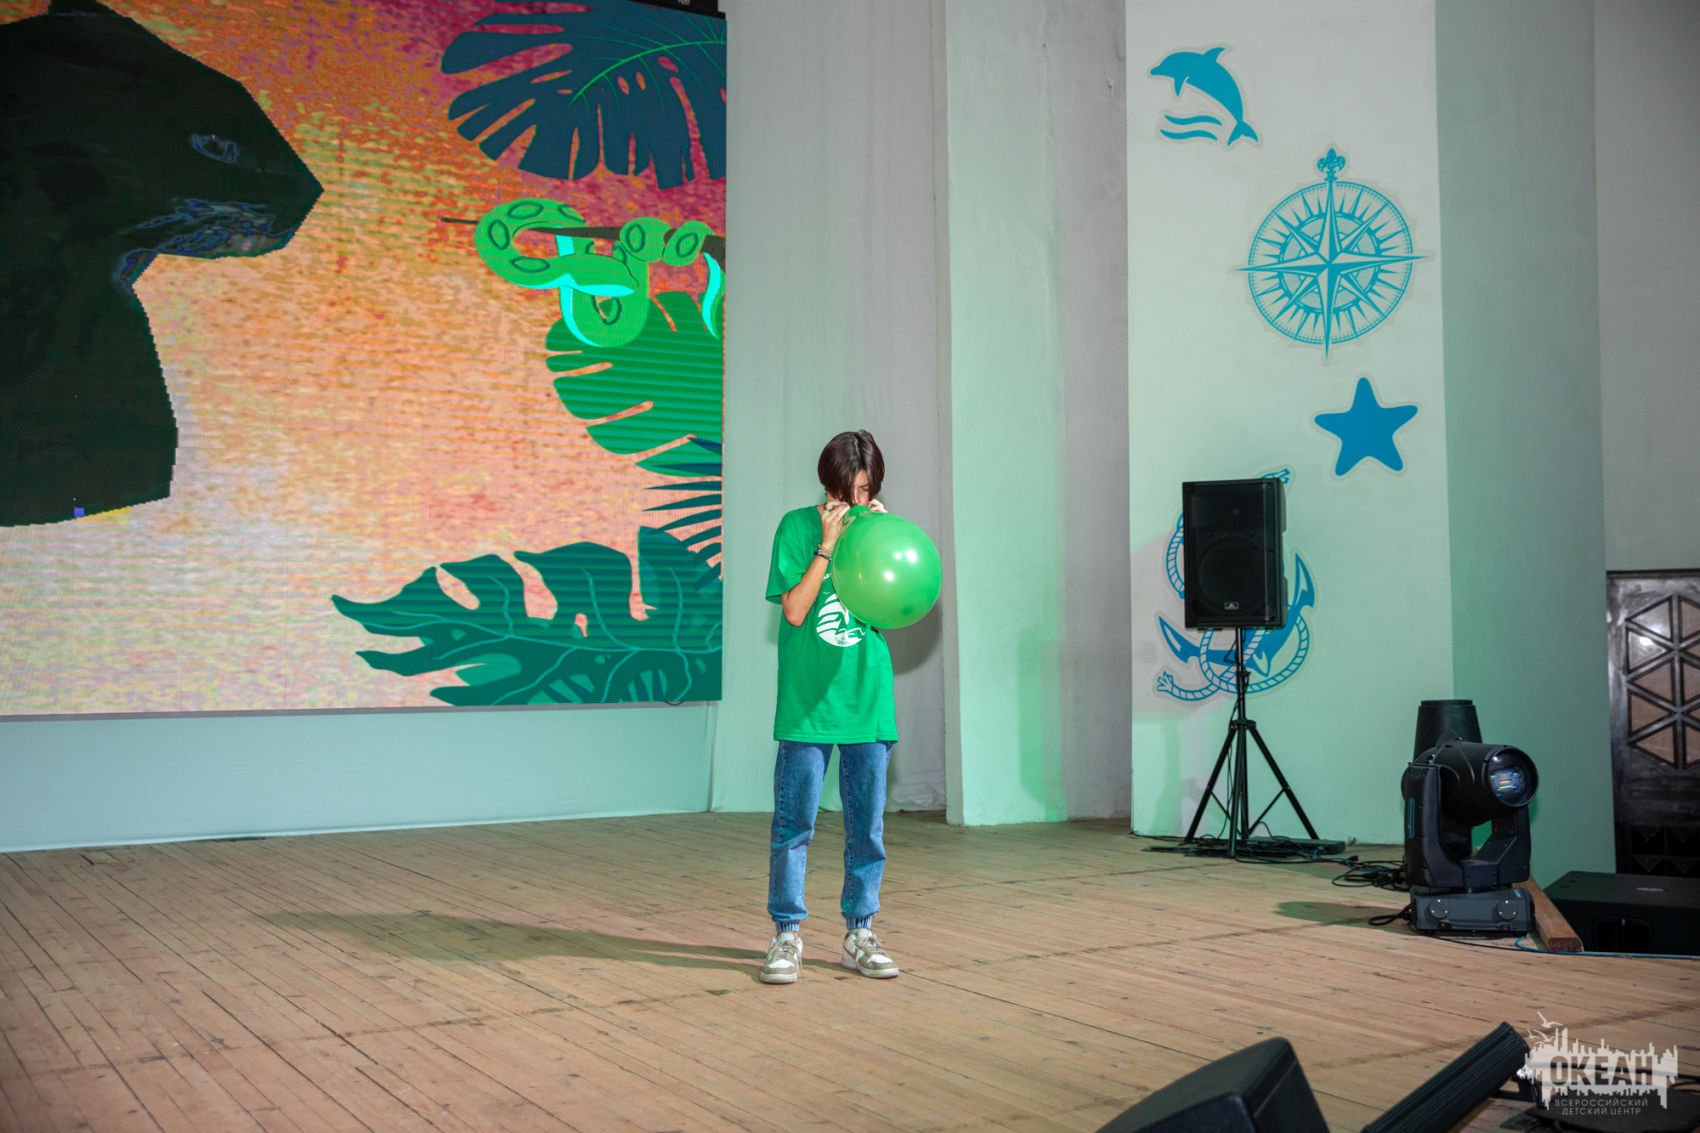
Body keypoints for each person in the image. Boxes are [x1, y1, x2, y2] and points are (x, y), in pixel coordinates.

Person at [759, 430, 900, 985]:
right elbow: (795, 610)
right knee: (794, 825)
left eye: (866, 490)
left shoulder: (878, 530)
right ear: (828, 483)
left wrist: (878, 542)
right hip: (808, 704)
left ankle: (860, 932)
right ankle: (786, 934)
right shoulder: (796, 527)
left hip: (868, 699)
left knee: (867, 828)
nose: (857, 500)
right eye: (849, 490)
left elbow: (891, 612)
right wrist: (827, 543)